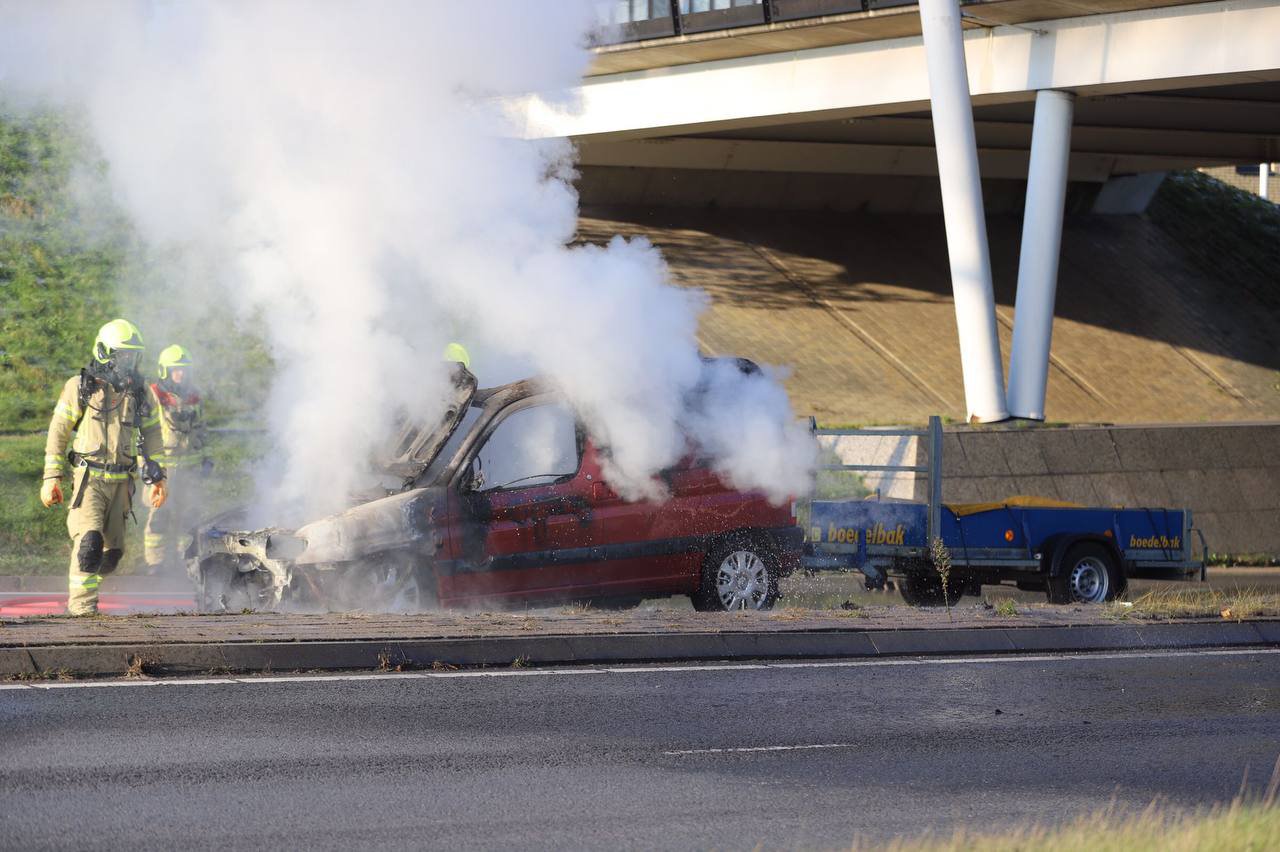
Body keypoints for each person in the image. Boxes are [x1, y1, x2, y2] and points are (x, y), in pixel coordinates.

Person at [42, 319, 167, 616]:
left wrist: (160, 477)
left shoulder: (140, 393)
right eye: (122, 355)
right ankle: (83, 614)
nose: (128, 362)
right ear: (103, 352)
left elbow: (153, 435)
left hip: (122, 483)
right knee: (89, 543)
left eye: (133, 356)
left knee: (112, 555)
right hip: (90, 481)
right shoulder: (80, 387)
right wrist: (51, 478)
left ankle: (87, 586)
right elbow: (58, 432)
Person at [143, 344, 209, 572]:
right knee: (159, 516)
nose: (180, 374)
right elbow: (142, 432)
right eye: (175, 370)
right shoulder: (153, 395)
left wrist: (205, 459)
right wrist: (147, 466)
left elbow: (201, 430)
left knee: (189, 517)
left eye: (184, 370)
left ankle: (186, 561)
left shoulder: (194, 397)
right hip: (162, 469)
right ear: (165, 371)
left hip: (190, 469)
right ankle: (156, 563)